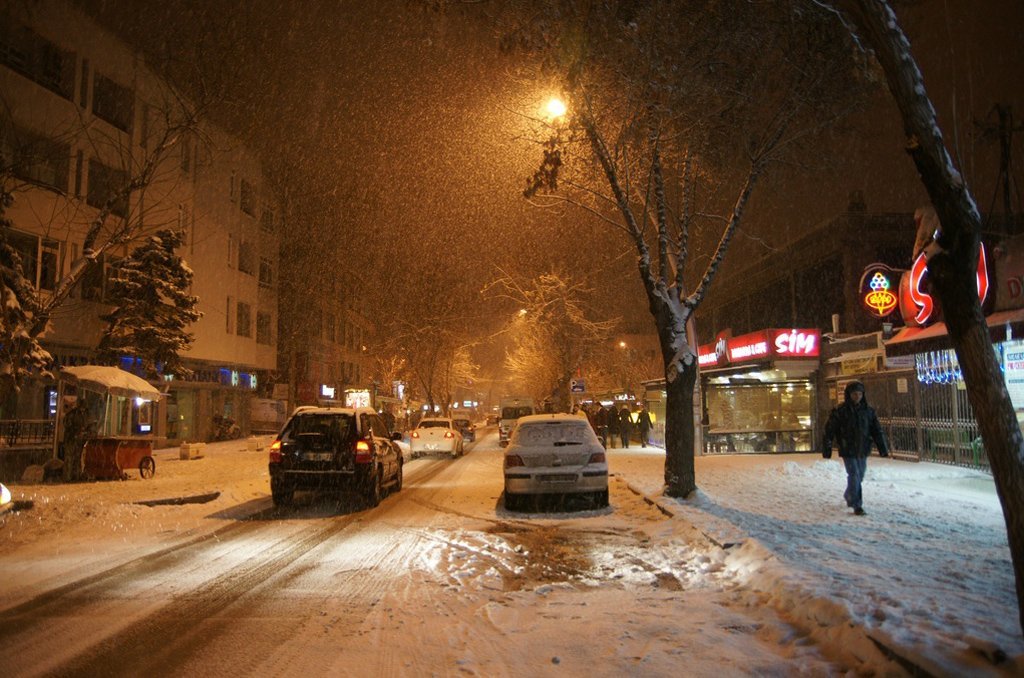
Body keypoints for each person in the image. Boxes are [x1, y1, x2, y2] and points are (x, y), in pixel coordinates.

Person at [823, 381, 889, 516]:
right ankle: (856, 505)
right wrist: (827, 447)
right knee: (854, 475)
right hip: (848, 448)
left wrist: (882, 447)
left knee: (860, 475)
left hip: (863, 448)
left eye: (859, 394)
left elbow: (876, 430)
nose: (857, 396)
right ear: (849, 395)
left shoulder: (868, 412)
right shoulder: (840, 411)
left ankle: (850, 495)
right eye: (854, 394)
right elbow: (829, 430)